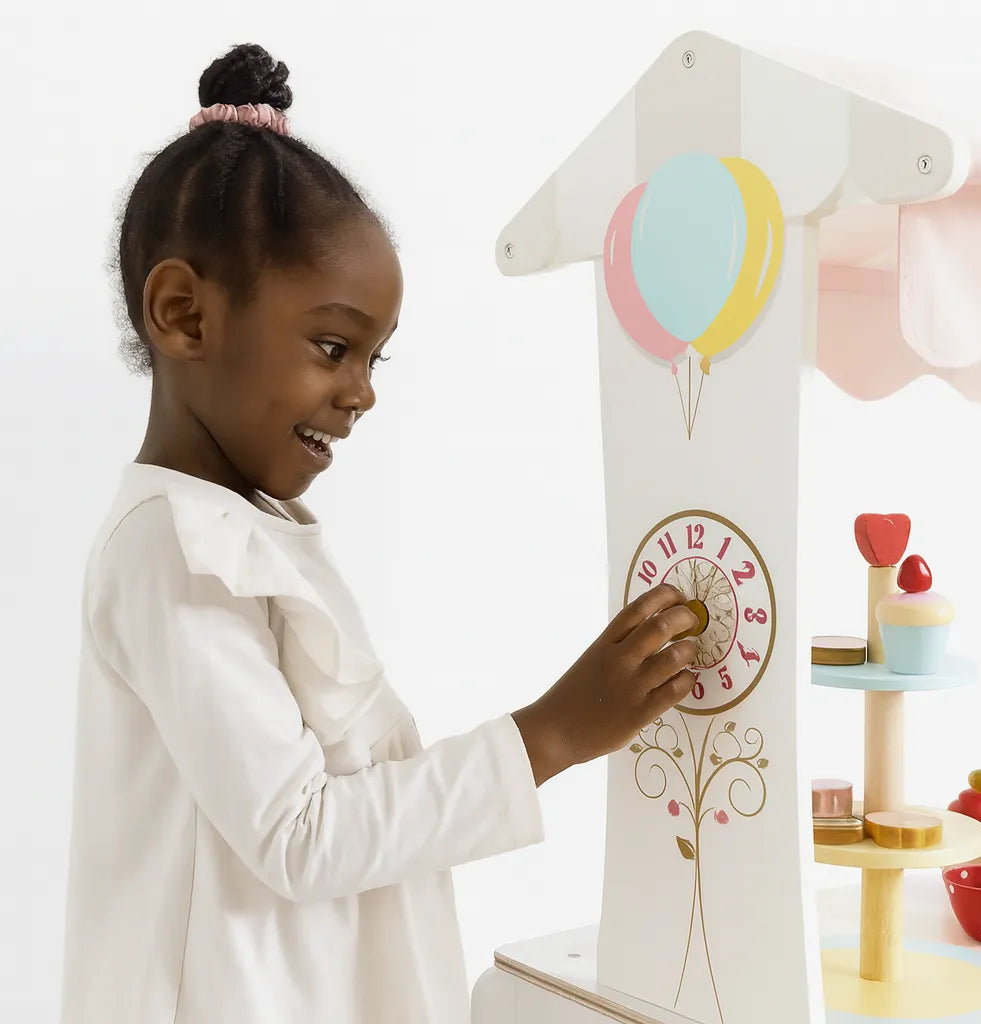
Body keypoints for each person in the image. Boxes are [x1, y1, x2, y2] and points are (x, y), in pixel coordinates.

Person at [58, 42, 699, 1024]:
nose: (359, 393)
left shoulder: (248, 531)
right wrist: (551, 733)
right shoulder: (174, 550)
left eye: (372, 359)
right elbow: (300, 832)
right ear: (184, 314)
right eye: (332, 346)